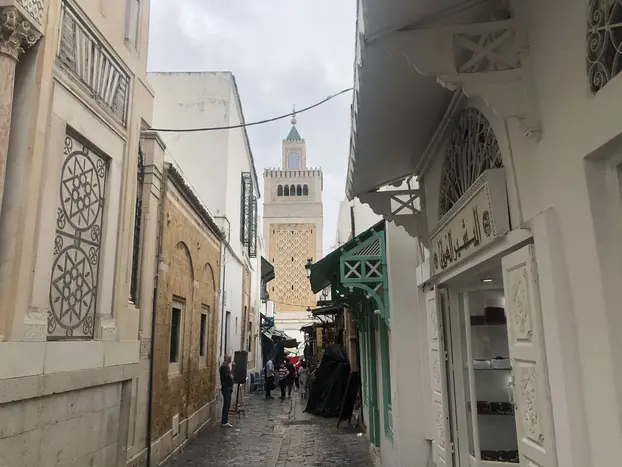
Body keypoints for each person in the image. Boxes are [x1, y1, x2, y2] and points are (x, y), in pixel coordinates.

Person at [219, 355, 235, 427]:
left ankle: (225, 420)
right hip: (226, 388)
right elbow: (231, 376)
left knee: (227, 405)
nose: (231, 360)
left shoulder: (226, 366)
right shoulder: (224, 367)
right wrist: (233, 368)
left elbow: (231, 375)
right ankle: (224, 422)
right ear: (227, 359)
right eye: (230, 358)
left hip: (227, 388)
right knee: (226, 405)